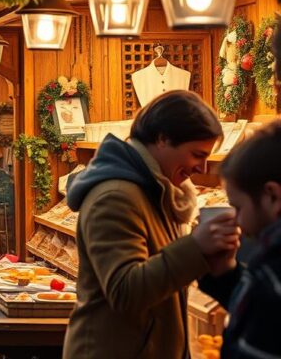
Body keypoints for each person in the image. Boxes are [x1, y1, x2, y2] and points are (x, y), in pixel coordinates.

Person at [63, 91, 240, 359]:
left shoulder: (160, 192)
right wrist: (196, 248)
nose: (202, 168)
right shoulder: (116, 197)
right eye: (196, 154)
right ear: (162, 139)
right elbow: (125, 291)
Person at [198, 121, 281, 359]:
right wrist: (224, 273)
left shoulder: (272, 271)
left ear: (272, 196)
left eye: (238, 207)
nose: (237, 220)